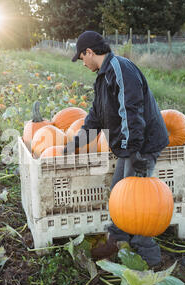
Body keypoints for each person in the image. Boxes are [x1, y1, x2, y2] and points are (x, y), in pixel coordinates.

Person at [64, 31, 170, 267]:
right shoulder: (103, 77)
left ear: (90, 52)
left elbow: (131, 112)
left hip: (143, 142)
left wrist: (134, 153)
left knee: (138, 203)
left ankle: (147, 255)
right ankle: (118, 240)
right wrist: (76, 144)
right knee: (118, 192)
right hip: (130, 144)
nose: (83, 63)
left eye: (82, 57)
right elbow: (95, 117)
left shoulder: (120, 69)